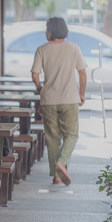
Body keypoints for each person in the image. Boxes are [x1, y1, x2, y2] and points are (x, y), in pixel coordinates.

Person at [31, 17, 86, 186]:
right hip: (70, 99)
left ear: (52, 31)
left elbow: (35, 74)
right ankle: (61, 163)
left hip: (48, 100)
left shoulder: (41, 50)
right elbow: (82, 74)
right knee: (71, 135)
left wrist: (40, 88)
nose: (45, 32)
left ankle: (56, 176)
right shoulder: (74, 48)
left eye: (47, 29)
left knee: (53, 137)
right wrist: (81, 94)